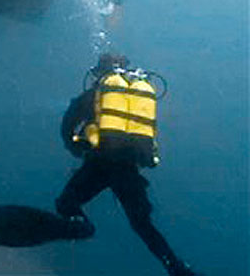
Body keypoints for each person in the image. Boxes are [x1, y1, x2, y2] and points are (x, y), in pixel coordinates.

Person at [55, 53, 200, 276]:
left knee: (66, 203)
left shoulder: (95, 95)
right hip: (128, 169)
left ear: (99, 72)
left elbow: (67, 126)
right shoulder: (139, 98)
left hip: (99, 164)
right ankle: (175, 266)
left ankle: (82, 225)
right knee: (142, 224)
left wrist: (76, 148)